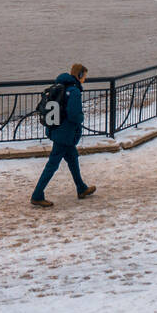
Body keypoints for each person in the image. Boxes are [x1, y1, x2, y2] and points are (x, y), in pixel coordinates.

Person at [31, 63, 98, 208]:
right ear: (79, 75)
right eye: (84, 77)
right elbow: (74, 115)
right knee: (52, 165)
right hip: (65, 133)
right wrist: (81, 118)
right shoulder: (73, 91)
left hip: (57, 129)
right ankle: (37, 195)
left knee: (73, 159)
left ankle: (81, 188)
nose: (84, 80)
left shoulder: (60, 86)